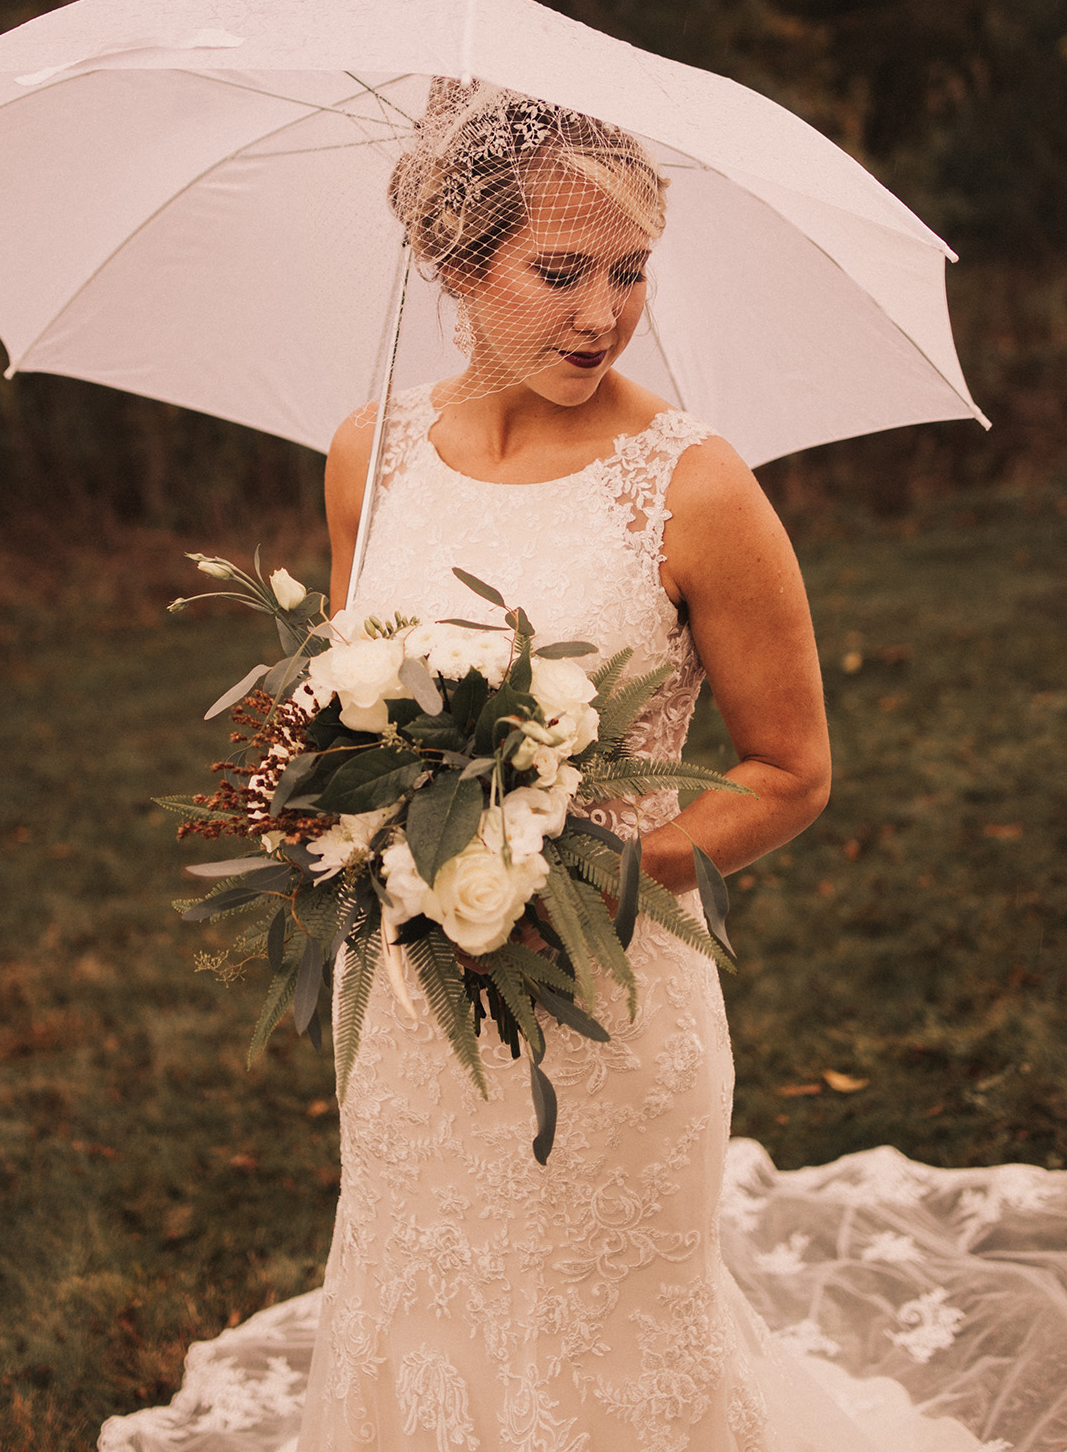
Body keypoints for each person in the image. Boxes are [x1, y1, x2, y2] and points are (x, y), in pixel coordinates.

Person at [100, 85, 1064, 1452]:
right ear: (452, 264)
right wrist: (353, 812)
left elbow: (790, 770)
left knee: (608, 1341)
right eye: (561, 272)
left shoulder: (695, 487)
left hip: (612, 1004)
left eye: (631, 271)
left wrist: (580, 881)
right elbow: (351, 690)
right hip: (415, 999)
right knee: (428, 1307)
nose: (604, 315)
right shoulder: (368, 454)